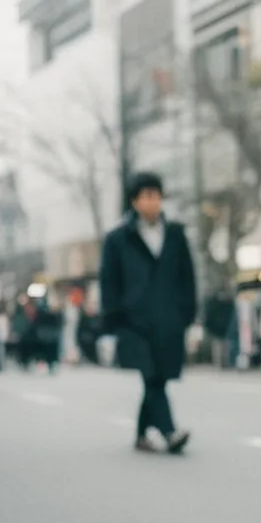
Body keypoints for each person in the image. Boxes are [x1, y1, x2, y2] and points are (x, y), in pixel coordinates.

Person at [100, 172, 196, 454]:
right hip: (133, 321)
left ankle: (142, 434)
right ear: (134, 201)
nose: (152, 201)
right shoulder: (118, 239)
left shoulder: (176, 234)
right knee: (151, 375)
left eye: (156, 195)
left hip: (168, 319)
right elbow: (110, 283)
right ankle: (169, 431)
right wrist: (110, 324)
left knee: (160, 376)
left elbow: (187, 277)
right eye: (146, 195)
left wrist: (188, 313)